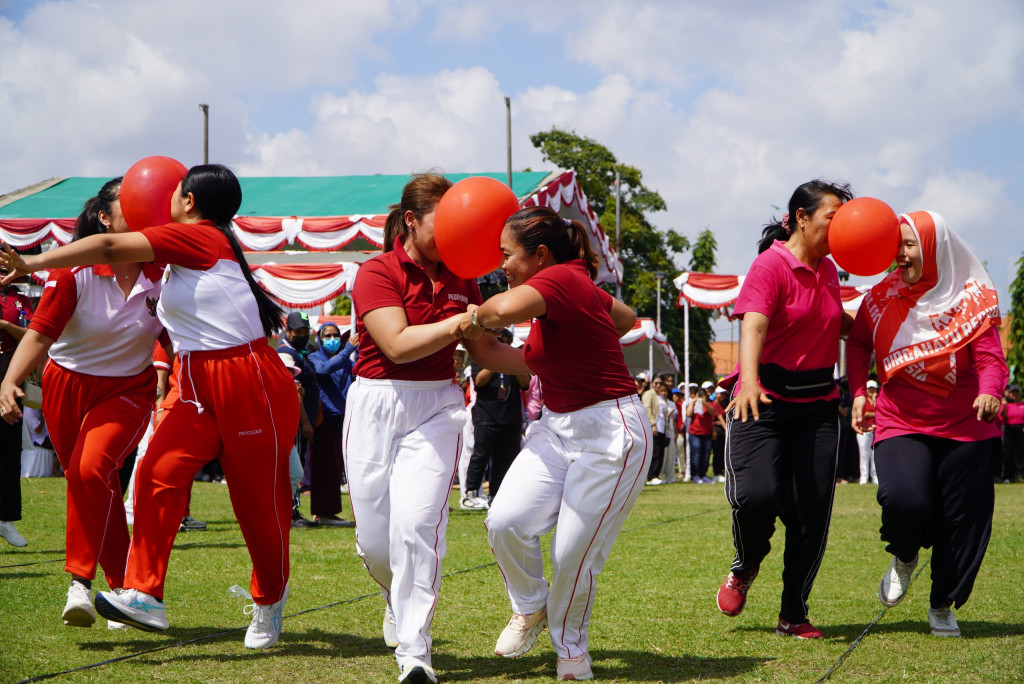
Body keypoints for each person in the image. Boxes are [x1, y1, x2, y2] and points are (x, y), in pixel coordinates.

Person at [0, 164, 300, 649]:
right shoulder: (179, 250)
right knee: (157, 473)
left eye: (173, 192)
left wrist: (32, 264)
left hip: (249, 380)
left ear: (189, 203)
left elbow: (112, 245)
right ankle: (144, 594)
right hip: (196, 379)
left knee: (255, 506)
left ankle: (269, 598)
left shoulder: (203, 238)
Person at [343, 172, 524, 684]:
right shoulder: (376, 272)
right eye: (443, 224)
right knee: (377, 543)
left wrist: (537, 364)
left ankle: (415, 654)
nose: (455, 236)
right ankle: (396, 602)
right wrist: (460, 323)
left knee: (417, 528)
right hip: (376, 402)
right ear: (410, 221)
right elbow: (397, 344)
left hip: (438, 407)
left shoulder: (463, 276)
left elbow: (482, 346)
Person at [478, 206, 651, 682]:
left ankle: (571, 650)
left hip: (610, 432)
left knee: (572, 553)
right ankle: (530, 607)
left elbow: (495, 312)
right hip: (556, 427)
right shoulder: (568, 290)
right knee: (505, 521)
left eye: (507, 256)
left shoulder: (558, 280)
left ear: (540, 255)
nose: (502, 266)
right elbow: (625, 317)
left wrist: (470, 313)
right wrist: (473, 339)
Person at [0, 177, 169, 627]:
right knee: (98, 482)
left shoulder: (164, 271)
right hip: (65, 387)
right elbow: (39, 334)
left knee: (89, 469)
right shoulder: (72, 271)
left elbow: (180, 337)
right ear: (105, 217)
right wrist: (9, 382)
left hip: (127, 391)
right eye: (132, 204)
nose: (147, 211)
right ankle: (121, 588)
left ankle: (79, 581)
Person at [847, 210, 1006, 637]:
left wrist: (990, 390)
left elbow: (990, 355)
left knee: (964, 520)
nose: (900, 254)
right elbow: (859, 342)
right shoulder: (880, 298)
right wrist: (860, 393)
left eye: (910, 244)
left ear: (935, 248)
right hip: (901, 421)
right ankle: (904, 554)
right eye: (896, 245)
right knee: (904, 501)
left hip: (966, 426)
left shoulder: (972, 296)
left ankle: (942, 604)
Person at [715, 180, 854, 640]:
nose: (842, 228)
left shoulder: (831, 271)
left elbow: (835, 321)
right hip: (764, 398)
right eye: (833, 217)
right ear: (801, 217)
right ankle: (746, 564)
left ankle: (793, 611)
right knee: (756, 496)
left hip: (817, 405)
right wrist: (749, 380)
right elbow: (753, 324)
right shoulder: (770, 265)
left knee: (811, 513)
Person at [462, 328, 530, 510]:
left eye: (506, 342)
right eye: (500, 341)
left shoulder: (514, 362)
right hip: (487, 416)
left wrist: (512, 361)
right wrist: (495, 361)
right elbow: (480, 381)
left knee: (505, 459)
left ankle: (496, 495)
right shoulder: (481, 359)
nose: (504, 345)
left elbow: (525, 383)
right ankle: (470, 494)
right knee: (480, 455)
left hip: (510, 418)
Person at [307, 322, 357, 527]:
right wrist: (347, 350)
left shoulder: (346, 361)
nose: (332, 339)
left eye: (335, 335)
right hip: (324, 419)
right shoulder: (314, 357)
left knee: (335, 467)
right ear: (319, 338)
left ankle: (330, 511)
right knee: (324, 467)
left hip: (342, 418)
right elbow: (324, 369)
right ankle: (323, 512)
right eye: (327, 336)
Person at [0, 272, 33, 547]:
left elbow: (34, 336)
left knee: (10, 451)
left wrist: (4, 325)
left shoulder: (20, 300)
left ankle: (6, 519)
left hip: (9, 378)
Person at [686, 381, 717, 484]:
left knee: (705, 455)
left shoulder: (710, 403)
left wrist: (704, 402)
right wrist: (694, 401)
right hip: (695, 433)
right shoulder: (694, 403)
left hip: (706, 433)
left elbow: (712, 412)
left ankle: (703, 474)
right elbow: (689, 414)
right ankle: (695, 475)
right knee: (696, 454)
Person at [642, 376, 668, 485]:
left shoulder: (660, 396)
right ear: (652, 383)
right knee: (655, 452)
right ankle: (651, 475)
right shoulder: (649, 394)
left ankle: (656, 474)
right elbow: (647, 408)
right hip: (654, 427)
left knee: (660, 452)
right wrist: (652, 424)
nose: (658, 385)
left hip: (661, 427)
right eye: (656, 383)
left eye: (660, 383)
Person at [856, 380, 878, 484]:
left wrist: (874, 401)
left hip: (875, 430)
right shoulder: (862, 400)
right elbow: (862, 414)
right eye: (870, 389)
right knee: (864, 454)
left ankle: (874, 477)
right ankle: (863, 478)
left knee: (874, 455)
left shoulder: (878, 400)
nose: (871, 391)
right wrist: (874, 413)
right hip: (863, 430)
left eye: (873, 389)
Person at [1001, 384, 1023, 482]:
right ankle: (1007, 476)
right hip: (1009, 429)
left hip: (1020, 430)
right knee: (1008, 453)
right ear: (1009, 394)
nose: (1014, 394)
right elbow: (1003, 416)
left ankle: (1020, 475)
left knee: (1020, 453)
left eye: (1016, 392)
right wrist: (1004, 405)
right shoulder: (1006, 405)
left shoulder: (1022, 405)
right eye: (1012, 392)